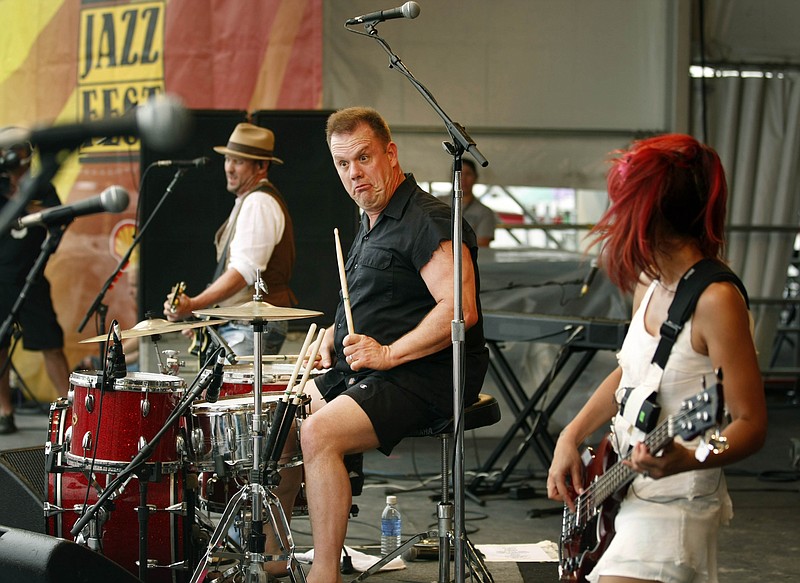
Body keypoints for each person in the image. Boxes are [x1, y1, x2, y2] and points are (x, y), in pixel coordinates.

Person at [546, 134, 767, 582]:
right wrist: (571, 434)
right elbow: (631, 372)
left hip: (675, 506)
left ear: (647, 216)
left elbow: (750, 423)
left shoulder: (716, 300)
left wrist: (692, 457)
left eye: (622, 205)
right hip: (625, 490)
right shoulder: (650, 283)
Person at [295, 107, 489, 583]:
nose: (353, 173)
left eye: (363, 157)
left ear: (390, 152)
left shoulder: (427, 219)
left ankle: (324, 574)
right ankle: (276, 555)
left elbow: (459, 309)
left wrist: (385, 354)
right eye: (343, 164)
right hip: (379, 372)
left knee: (318, 434)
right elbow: (373, 303)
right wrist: (332, 340)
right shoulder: (371, 219)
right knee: (283, 416)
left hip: (426, 375)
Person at [163, 122, 296, 357]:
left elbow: (244, 271)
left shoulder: (258, 203)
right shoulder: (249, 200)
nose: (229, 168)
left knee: (238, 394)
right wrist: (207, 315)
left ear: (262, 166)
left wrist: (195, 304)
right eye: (228, 159)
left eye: (239, 161)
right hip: (244, 325)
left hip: (252, 326)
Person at [0, 132, 70, 434]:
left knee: (51, 344)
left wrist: (36, 216)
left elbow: (62, 219)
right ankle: (5, 411)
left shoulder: (41, 186)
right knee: (0, 346)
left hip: (32, 276)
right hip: (1, 278)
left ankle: (71, 413)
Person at [438, 158, 497, 247]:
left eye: (468, 174)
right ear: (452, 177)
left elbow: (482, 243)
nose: (463, 179)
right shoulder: (438, 203)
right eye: (459, 174)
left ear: (475, 177)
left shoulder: (484, 212)